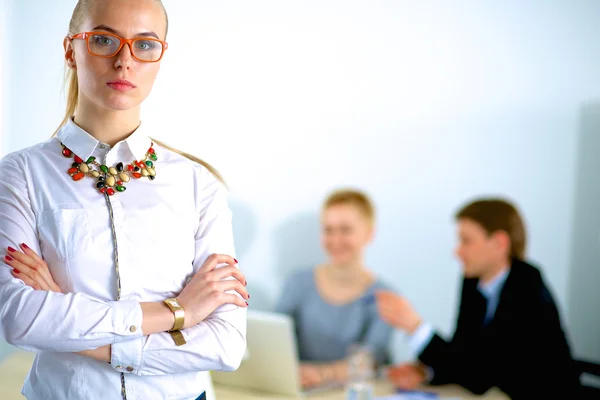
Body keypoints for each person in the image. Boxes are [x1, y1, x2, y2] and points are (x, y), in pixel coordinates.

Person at [0, 1, 249, 399]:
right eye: (103, 40)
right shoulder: (20, 175)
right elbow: (21, 320)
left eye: (145, 45)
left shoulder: (198, 185)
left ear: (160, 57)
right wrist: (176, 313)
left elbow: (225, 345)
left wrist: (69, 321)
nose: (124, 61)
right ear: (70, 50)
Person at [376, 198, 581, 400]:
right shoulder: (473, 283)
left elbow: (479, 375)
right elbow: (462, 354)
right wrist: (427, 372)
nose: (457, 251)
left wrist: (416, 327)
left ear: (499, 243)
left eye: (466, 241)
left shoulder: (526, 288)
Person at [276, 189, 394, 389]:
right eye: (328, 230)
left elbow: (371, 359)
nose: (335, 240)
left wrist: (320, 374)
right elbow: (275, 343)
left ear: (369, 234)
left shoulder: (384, 298)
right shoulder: (297, 283)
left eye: (345, 230)